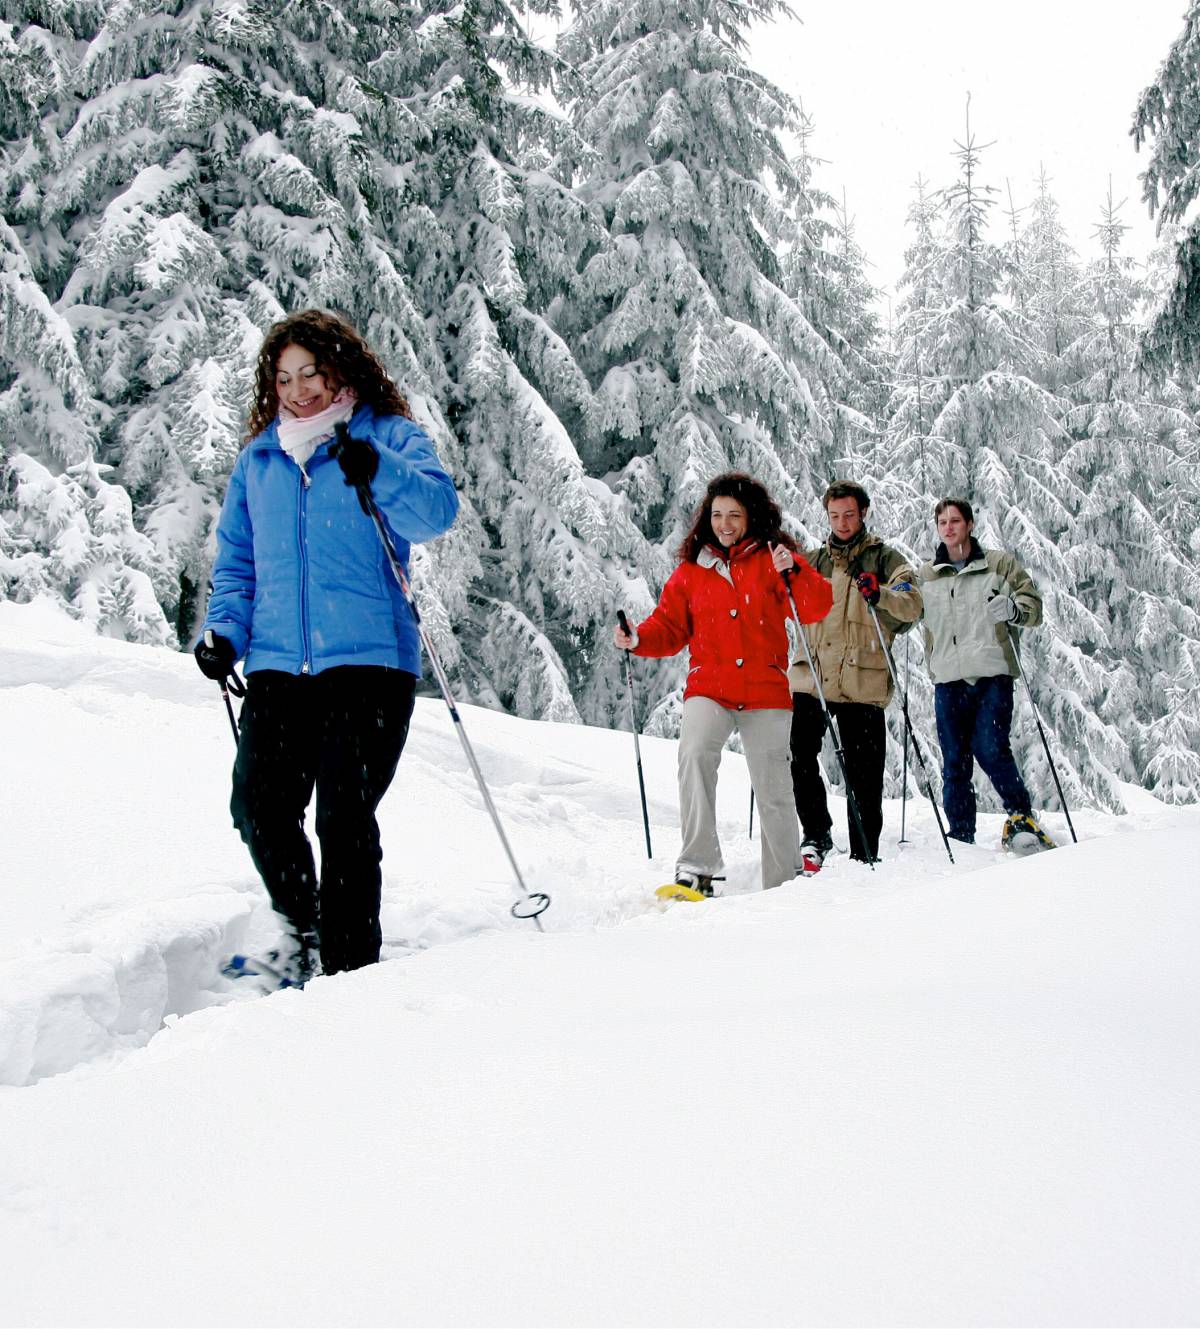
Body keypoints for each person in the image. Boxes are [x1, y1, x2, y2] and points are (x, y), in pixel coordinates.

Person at [193, 309, 458, 983]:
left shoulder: (385, 435)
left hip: (369, 662)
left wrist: (380, 468)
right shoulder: (259, 460)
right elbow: (238, 564)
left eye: (311, 372)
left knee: (342, 816)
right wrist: (225, 633)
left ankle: (349, 975)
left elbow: (436, 512)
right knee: (257, 804)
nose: (300, 389)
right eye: (284, 377)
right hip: (280, 665)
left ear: (342, 366)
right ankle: (306, 930)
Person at [614, 473, 832, 895]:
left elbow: (816, 605)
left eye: (734, 514)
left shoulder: (774, 558)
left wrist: (796, 571)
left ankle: (783, 879)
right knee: (694, 753)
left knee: (772, 785)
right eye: (717, 515)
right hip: (709, 687)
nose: (725, 523)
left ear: (752, 516)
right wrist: (638, 638)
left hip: (765, 689)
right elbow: (670, 627)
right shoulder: (692, 570)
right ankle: (698, 867)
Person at [789, 480, 921, 867]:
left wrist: (880, 593)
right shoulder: (812, 560)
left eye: (849, 514)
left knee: (863, 773)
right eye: (834, 515)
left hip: (861, 677)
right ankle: (816, 834)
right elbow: (785, 602)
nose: (842, 522)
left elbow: (913, 605)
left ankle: (865, 850)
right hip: (812, 675)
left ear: (863, 513)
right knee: (798, 754)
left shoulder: (885, 558)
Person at [918, 497, 1051, 850]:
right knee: (954, 760)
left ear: (970, 524)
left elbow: (1033, 607)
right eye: (942, 522)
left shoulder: (998, 565)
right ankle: (961, 833)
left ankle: (1021, 816)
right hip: (947, 677)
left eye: (955, 521)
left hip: (992, 673)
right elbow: (904, 612)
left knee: (991, 747)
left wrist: (1014, 610)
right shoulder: (927, 575)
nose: (948, 527)